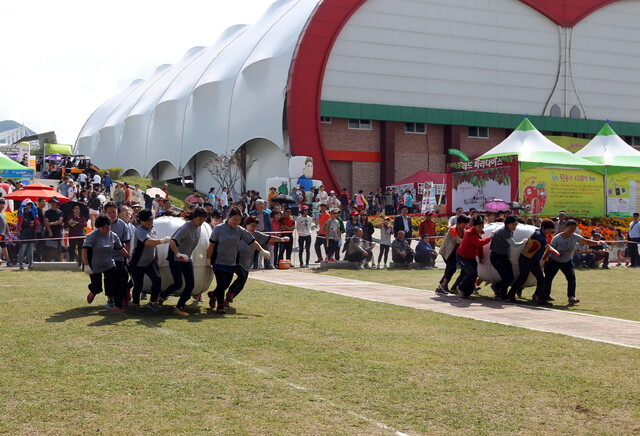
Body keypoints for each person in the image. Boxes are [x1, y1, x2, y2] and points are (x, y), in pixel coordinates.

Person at [207, 208, 270, 314]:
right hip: (218, 261)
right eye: (234, 219)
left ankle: (213, 295)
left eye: (239, 220)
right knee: (221, 283)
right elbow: (212, 244)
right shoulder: (218, 229)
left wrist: (262, 250)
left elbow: (252, 241)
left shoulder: (239, 229)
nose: (237, 222)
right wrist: (208, 259)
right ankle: (220, 306)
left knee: (225, 285)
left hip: (231, 262)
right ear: (229, 217)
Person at [226, 216, 289, 307]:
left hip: (248, 263)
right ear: (246, 225)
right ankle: (229, 294)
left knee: (241, 285)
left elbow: (269, 238)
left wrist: (282, 239)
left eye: (255, 226)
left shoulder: (256, 235)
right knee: (242, 277)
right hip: (236, 260)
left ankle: (226, 300)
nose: (254, 228)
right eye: (252, 226)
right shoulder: (240, 233)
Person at [156, 207, 208, 316]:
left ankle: (179, 307)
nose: (201, 222)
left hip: (187, 258)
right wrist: (178, 254)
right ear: (194, 218)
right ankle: (161, 297)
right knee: (178, 283)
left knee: (190, 284)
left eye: (203, 219)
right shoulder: (186, 228)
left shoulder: (199, 227)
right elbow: (172, 242)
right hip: (175, 257)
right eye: (199, 219)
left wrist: (186, 256)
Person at [544, 220, 604, 305]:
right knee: (548, 278)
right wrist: (544, 260)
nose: (573, 229)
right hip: (554, 261)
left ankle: (571, 297)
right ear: (565, 227)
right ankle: (544, 296)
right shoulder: (557, 238)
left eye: (574, 228)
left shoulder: (575, 237)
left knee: (571, 278)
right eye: (571, 227)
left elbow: (586, 242)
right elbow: (549, 250)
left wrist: (598, 242)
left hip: (567, 261)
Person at [83, 214, 130, 312]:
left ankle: (117, 306)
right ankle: (93, 290)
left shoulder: (113, 236)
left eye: (108, 226)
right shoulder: (92, 236)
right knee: (97, 287)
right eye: (104, 227)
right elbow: (84, 250)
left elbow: (120, 249)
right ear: (99, 227)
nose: (106, 229)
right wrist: (86, 265)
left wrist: (129, 257)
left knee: (116, 283)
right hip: (95, 264)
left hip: (109, 263)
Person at [129, 209, 171, 312]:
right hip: (138, 263)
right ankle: (136, 304)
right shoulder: (140, 231)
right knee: (138, 285)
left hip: (149, 262)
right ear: (141, 221)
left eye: (151, 220)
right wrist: (162, 241)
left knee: (157, 280)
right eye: (147, 221)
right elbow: (148, 242)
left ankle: (152, 302)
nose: (149, 222)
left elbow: (154, 245)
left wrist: (156, 258)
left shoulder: (152, 229)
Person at [509, 219, 558, 304]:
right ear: (543, 228)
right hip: (526, 259)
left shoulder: (539, 233)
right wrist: (552, 249)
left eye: (551, 231)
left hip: (534, 261)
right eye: (548, 230)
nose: (549, 233)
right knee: (522, 278)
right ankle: (510, 294)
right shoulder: (538, 234)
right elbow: (545, 244)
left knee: (541, 279)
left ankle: (540, 298)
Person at [489, 215, 526, 300]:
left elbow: (508, 245)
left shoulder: (510, 231)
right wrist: (523, 242)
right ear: (508, 224)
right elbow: (514, 244)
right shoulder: (504, 232)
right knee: (506, 277)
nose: (515, 227)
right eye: (513, 225)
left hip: (503, 256)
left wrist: (509, 257)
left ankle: (496, 287)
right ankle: (503, 295)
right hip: (496, 257)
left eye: (516, 224)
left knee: (510, 277)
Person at [456, 215, 492, 298]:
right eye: (479, 226)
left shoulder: (478, 232)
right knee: (471, 273)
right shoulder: (469, 233)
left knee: (474, 274)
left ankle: (467, 293)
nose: (481, 228)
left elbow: (479, 247)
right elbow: (479, 243)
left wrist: (481, 257)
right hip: (462, 256)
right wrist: (490, 238)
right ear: (474, 226)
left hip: (471, 257)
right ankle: (460, 287)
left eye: (482, 226)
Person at [104, 201, 132, 308]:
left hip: (120, 256)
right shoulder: (103, 223)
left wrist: (125, 255)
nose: (112, 214)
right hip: (107, 257)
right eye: (109, 212)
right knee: (108, 278)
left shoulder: (123, 225)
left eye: (114, 212)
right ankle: (110, 298)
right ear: (105, 212)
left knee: (122, 276)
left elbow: (127, 242)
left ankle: (122, 298)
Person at [436, 215, 470, 294]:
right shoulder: (453, 228)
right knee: (451, 268)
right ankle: (444, 285)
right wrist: (469, 243)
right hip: (447, 252)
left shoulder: (463, 230)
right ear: (458, 223)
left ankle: (440, 287)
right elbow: (457, 239)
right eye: (463, 225)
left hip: (454, 253)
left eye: (466, 225)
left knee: (449, 269)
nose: (464, 226)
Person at [17, 199, 40, 270]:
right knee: (22, 249)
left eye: (30, 204)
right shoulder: (21, 213)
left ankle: (31, 264)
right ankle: (20, 265)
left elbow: (35, 222)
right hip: (24, 233)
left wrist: (30, 223)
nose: (29, 206)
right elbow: (24, 222)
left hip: (32, 233)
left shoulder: (31, 213)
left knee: (30, 250)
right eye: (28, 204)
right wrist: (30, 223)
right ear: (24, 205)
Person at [250, 199, 272, 269]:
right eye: (260, 204)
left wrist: (269, 233)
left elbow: (269, 224)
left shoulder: (267, 214)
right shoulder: (252, 213)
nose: (262, 206)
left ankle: (267, 265)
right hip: (255, 233)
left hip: (264, 233)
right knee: (255, 250)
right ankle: (255, 265)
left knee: (265, 249)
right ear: (256, 206)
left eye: (262, 204)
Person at [44, 197, 64, 261]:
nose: (52, 203)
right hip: (49, 231)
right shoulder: (47, 212)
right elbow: (46, 222)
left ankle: (57, 260)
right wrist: (49, 230)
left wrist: (51, 223)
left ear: (57, 203)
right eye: (51, 202)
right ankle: (48, 259)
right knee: (48, 246)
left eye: (54, 202)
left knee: (58, 246)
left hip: (57, 231)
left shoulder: (60, 212)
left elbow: (60, 221)